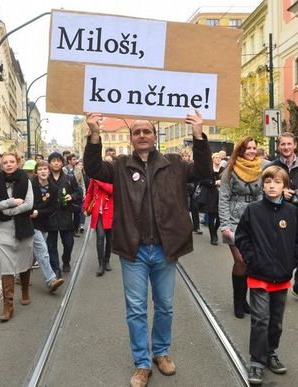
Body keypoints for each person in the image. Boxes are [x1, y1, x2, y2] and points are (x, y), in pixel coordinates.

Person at [84, 110, 212, 387]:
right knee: (136, 308)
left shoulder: (175, 163)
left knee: (165, 306)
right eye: (137, 132)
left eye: (147, 131)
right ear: (131, 139)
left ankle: (161, 352)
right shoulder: (119, 166)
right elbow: (92, 169)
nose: (142, 135)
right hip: (134, 249)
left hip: (166, 249)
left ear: (155, 136)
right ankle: (142, 362)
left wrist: (199, 135)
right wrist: (94, 133)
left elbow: (204, 171)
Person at [235, 165, 298, 384]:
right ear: (262, 185)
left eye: (277, 182)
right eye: (268, 182)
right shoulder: (253, 210)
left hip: (282, 276)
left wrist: (293, 261)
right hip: (258, 275)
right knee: (260, 320)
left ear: (285, 186)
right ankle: (256, 362)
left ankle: (271, 352)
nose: (272, 186)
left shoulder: (292, 212)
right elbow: (242, 237)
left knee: (276, 322)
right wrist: (251, 259)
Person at [219, 137, 270, 319]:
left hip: (254, 218)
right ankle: (238, 302)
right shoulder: (230, 170)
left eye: (254, 148)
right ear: (241, 150)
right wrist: (224, 225)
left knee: (249, 260)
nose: (251, 151)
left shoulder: (261, 168)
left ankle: (244, 299)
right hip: (234, 219)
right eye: (248, 148)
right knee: (240, 260)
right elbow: (223, 198)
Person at [0, 151, 35, 321]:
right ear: (1, 165)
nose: (8, 164)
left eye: (11, 161)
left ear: (17, 163)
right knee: (7, 267)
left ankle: (24, 290)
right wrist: (11, 203)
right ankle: (8, 306)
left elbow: (29, 204)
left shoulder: (26, 180)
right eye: (5, 162)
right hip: (3, 229)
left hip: (23, 227)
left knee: (24, 262)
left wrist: (9, 211)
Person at [270, 132, 298, 303]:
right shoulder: (273, 166)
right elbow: (265, 191)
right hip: (280, 214)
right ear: (278, 146)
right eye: (282, 144)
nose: (286, 147)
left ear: (294, 145)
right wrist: (280, 194)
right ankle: (277, 282)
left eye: (289, 144)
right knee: (281, 250)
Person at [29, 160, 66, 293]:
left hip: (44, 222)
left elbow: (53, 208)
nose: (43, 171)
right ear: (36, 172)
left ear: (49, 171)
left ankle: (19, 274)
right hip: (31, 223)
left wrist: (39, 212)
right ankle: (51, 280)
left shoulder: (53, 188)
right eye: (40, 169)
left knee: (35, 252)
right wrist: (31, 211)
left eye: (45, 169)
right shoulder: (30, 185)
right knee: (43, 250)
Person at [45, 152, 81, 277]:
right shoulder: (45, 179)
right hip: (50, 216)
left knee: (68, 243)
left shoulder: (69, 178)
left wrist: (72, 196)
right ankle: (55, 268)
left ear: (62, 163)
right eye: (53, 161)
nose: (56, 163)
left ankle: (66, 260)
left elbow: (78, 193)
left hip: (65, 215)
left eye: (58, 161)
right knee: (51, 246)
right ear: (49, 163)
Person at [82, 155, 115, 276]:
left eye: (109, 161)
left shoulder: (114, 176)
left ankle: (107, 260)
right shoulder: (94, 177)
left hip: (111, 211)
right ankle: (100, 263)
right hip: (98, 211)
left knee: (109, 238)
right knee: (100, 237)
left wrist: (100, 183)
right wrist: (85, 207)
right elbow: (90, 192)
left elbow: (113, 190)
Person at [197, 152, 224, 245]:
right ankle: (213, 236)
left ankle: (215, 230)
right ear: (212, 159)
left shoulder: (223, 169)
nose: (218, 159)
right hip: (210, 195)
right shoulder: (208, 169)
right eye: (216, 157)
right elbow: (202, 181)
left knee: (220, 218)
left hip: (221, 195)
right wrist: (214, 183)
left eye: (219, 158)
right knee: (211, 216)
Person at [64, 154, 86, 237]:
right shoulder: (64, 170)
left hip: (77, 193)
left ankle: (75, 229)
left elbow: (82, 182)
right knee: (68, 212)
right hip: (67, 193)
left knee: (77, 212)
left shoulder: (78, 169)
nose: (75, 161)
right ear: (69, 160)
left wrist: (84, 193)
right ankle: (68, 229)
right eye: (73, 159)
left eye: (75, 159)